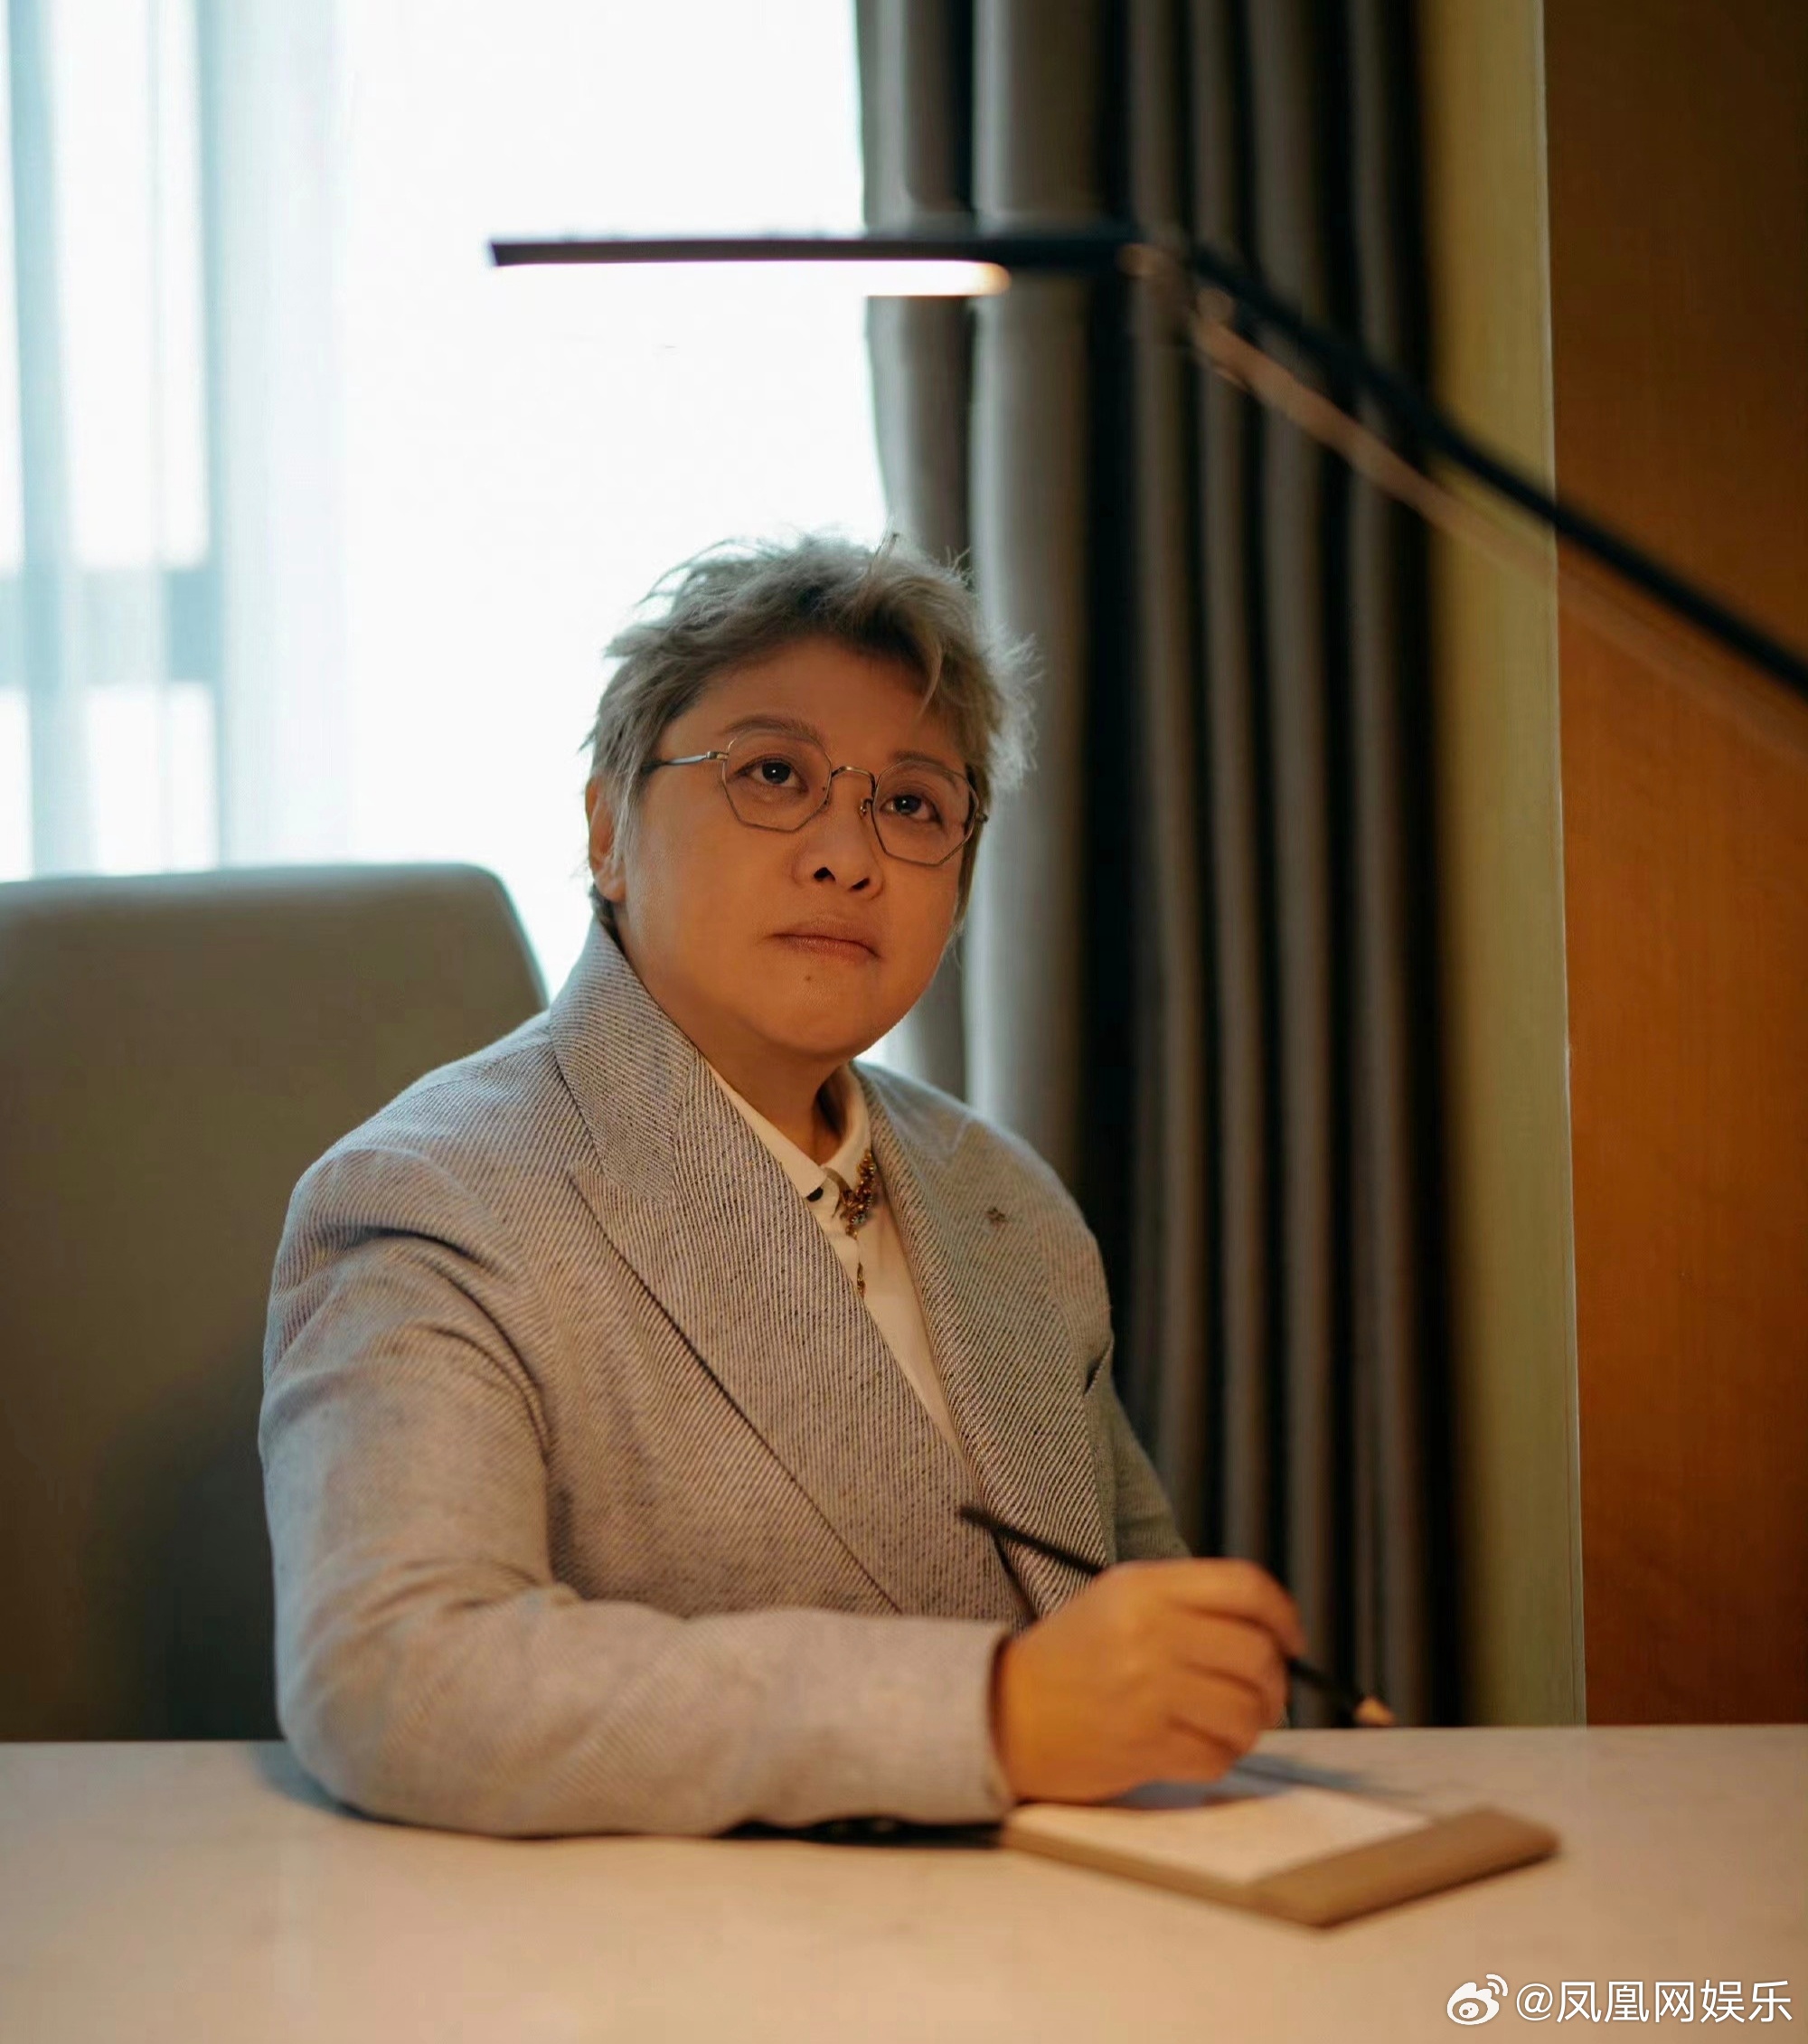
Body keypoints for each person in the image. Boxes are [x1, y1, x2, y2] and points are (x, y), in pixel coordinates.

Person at [261, 533, 1305, 1837]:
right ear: (608, 831)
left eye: (913, 805)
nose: (847, 856)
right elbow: (396, 1677)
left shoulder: (1005, 1196)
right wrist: (989, 1714)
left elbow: (1126, 1613)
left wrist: (1210, 1681)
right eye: (772, 774)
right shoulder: (435, 1197)